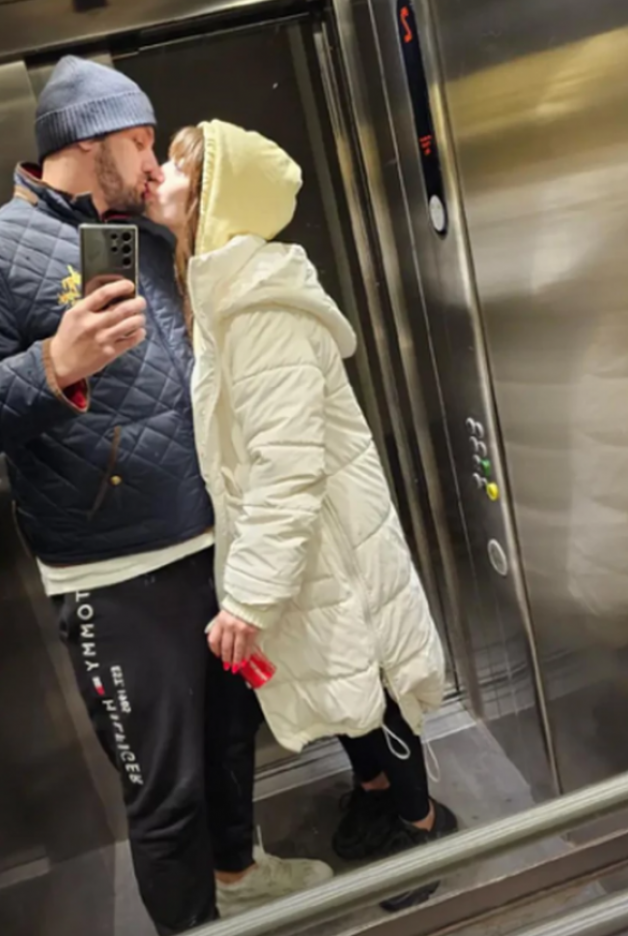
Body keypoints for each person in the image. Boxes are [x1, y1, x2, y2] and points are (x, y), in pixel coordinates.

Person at [0, 58, 331, 934]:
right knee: (164, 791)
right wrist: (52, 365)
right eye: (140, 141)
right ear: (88, 139)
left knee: (229, 745)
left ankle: (239, 877)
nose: (151, 162)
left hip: (212, 546)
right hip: (114, 578)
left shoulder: (143, 236)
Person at [151, 120, 459, 912]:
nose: (159, 176)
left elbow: (288, 464)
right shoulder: (223, 292)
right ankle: (377, 791)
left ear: (214, 196)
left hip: (327, 539)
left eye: (178, 168)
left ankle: (422, 825)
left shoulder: (257, 307)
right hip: (305, 541)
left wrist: (249, 596)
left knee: (372, 672)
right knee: (337, 669)